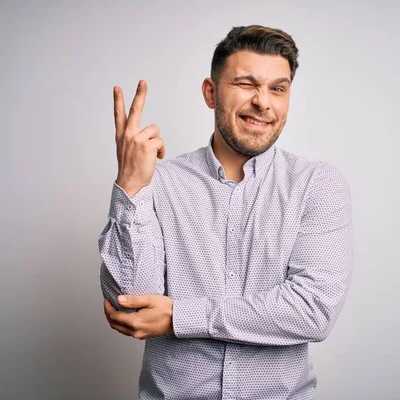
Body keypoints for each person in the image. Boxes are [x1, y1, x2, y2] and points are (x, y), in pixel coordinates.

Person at [98, 24, 354, 400]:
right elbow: (131, 303)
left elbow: (311, 311)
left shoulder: (317, 185)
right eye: (247, 84)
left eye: (277, 89)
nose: (263, 102)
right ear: (211, 92)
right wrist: (132, 185)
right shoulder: (159, 182)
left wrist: (179, 317)